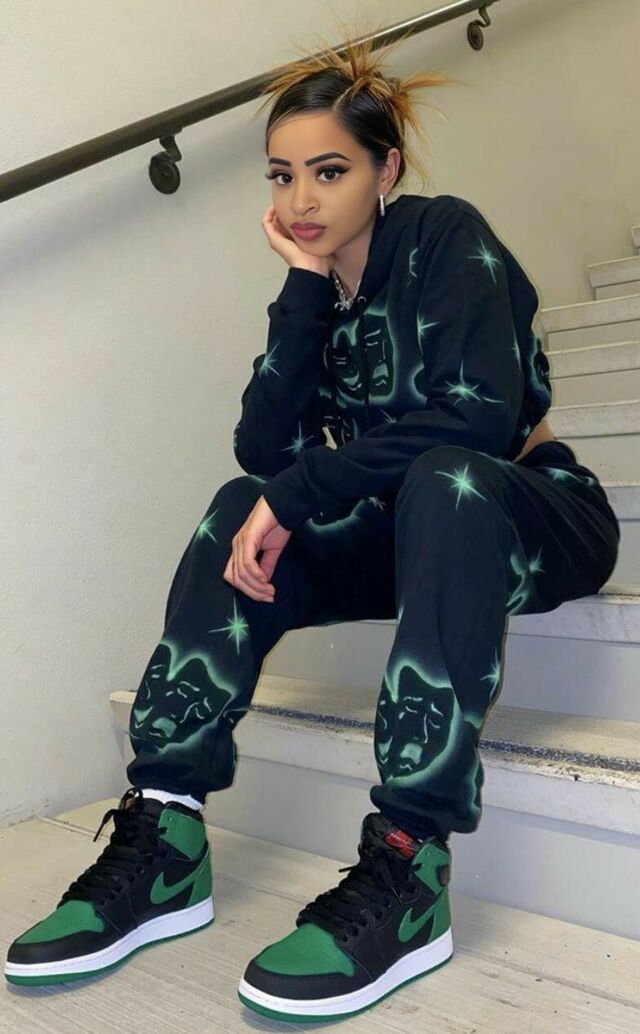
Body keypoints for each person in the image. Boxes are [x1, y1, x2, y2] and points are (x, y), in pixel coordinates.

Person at [5, 24, 620, 1025]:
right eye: (281, 176)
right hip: (409, 532)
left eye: (329, 171)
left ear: (387, 169)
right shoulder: (314, 290)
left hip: (531, 511)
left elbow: (478, 419)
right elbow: (263, 446)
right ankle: (165, 834)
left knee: (445, 479)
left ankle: (409, 862)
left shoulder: (445, 238)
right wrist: (301, 287)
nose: (300, 200)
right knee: (232, 509)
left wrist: (301, 490)